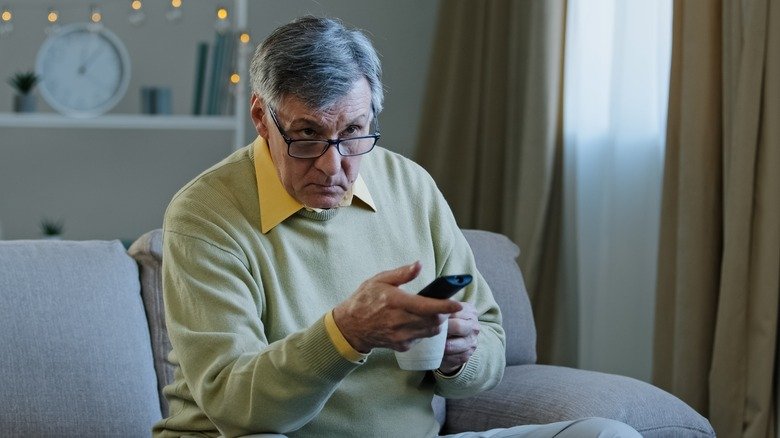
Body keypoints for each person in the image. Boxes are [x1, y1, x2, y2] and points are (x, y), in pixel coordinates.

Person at [153, 16, 640, 438]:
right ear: (262, 117)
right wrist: (346, 333)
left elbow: (489, 341)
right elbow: (239, 408)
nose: (333, 164)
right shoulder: (205, 213)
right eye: (307, 134)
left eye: (353, 132)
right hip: (258, 436)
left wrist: (458, 355)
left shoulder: (410, 185)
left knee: (607, 433)